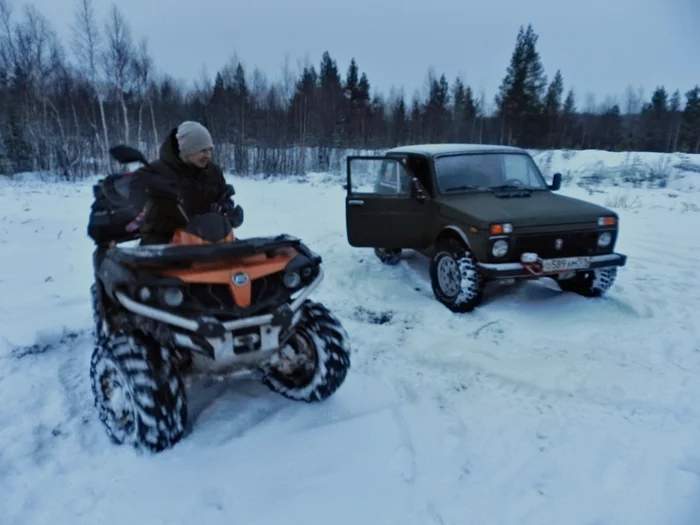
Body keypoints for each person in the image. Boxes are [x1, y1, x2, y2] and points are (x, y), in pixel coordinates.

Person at [134, 120, 243, 244]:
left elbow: (223, 196)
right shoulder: (156, 172)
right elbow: (128, 195)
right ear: (186, 150)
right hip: (163, 240)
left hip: (206, 238)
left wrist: (226, 210)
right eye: (202, 150)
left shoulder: (213, 172)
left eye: (209, 150)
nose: (208, 155)